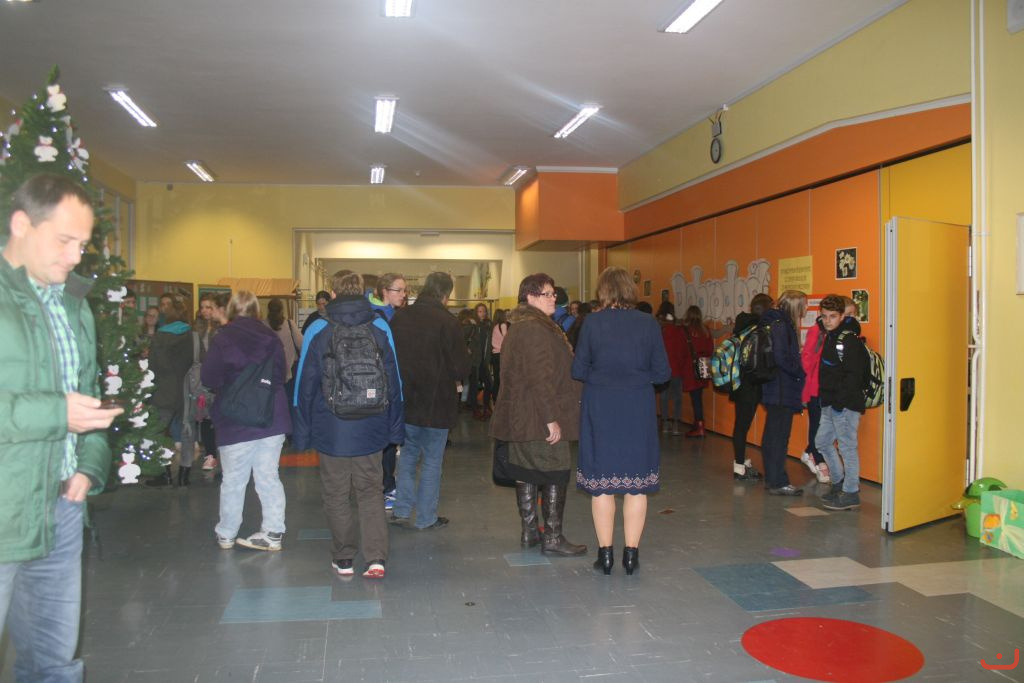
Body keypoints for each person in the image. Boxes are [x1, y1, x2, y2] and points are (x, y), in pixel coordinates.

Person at [0, 174, 123, 681]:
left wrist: (89, 465)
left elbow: (86, 392)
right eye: (64, 241)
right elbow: (64, 408)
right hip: (6, 504)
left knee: (54, 663)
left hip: (62, 509)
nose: (75, 257)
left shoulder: (74, 304)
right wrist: (58, 414)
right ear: (21, 224)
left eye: (83, 245)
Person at [293, 272, 404, 578]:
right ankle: (376, 558)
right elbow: (394, 380)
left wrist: (302, 432)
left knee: (336, 493)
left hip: (331, 427)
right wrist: (395, 427)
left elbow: (304, 384)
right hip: (372, 424)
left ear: (332, 292)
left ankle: (344, 557)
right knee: (371, 491)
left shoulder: (318, 327)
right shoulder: (380, 325)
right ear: (363, 291)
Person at [573, 267, 671, 575]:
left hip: (600, 406)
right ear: (630, 289)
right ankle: (631, 556)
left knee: (602, 485)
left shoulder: (592, 323)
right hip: (637, 407)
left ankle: (605, 556)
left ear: (602, 290)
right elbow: (662, 373)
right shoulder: (648, 323)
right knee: (636, 486)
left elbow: (578, 369)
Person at [490, 274, 586, 556]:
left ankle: (530, 531)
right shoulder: (535, 329)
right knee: (555, 472)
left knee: (526, 472)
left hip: (522, 417)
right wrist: (550, 418)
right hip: (537, 416)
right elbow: (539, 378)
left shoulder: (522, 326)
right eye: (548, 294)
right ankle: (553, 538)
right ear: (530, 297)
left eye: (554, 293)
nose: (554, 298)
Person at [201, 290, 292, 551]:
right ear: (256, 311)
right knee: (268, 476)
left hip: (235, 419)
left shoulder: (223, 338)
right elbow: (281, 374)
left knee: (233, 480)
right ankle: (273, 532)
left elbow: (208, 377)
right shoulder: (272, 338)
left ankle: (227, 533)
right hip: (270, 416)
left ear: (231, 310)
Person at [389, 272, 471, 530]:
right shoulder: (448, 322)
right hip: (437, 403)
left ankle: (401, 511)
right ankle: (426, 518)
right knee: (432, 461)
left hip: (407, 402)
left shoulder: (400, 317)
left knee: (407, 456)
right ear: (446, 294)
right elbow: (461, 367)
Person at [816, 294, 870, 511]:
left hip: (845, 405)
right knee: (822, 442)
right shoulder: (830, 336)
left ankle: (850, 492)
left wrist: (839, 402)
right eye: (824, 316)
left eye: (832, 316)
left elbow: (854, 376)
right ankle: (838, 483)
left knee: (847, 447)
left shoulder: (848, 340)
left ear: (841, 316)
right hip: (829, 402)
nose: (827, 321)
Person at [800, 298, 856, 485]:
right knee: (818, 426)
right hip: (817, 388)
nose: (849, 318)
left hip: (833, 389)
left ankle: (811, 452)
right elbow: (807, 359)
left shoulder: (844, 335)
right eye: (847, 314)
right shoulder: (818, 331)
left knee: (828, 429)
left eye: (852, 315)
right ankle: (818, 460)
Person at [759, 290, 808, 496]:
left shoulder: (775, 322)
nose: (806, 309)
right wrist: (800, 371)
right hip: (781, 388)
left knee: (773, 435)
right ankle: (778, 481)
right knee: (778, 436)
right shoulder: (781, 325)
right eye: (804, 305)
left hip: (775, 387)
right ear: (795, 306)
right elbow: (781, 357)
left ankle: (773, 479)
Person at [366, 273, 407, 510]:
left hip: (381, 386)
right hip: (383, 386)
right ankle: (386, 488)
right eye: (398, 290)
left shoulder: (386, 314)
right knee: (387, 440)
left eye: (404, 290)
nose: (403, 294)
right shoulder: (380, 317)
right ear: (385, 291)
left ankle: (384, 485)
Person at [147, 294, 194, 487]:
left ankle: (165, 473)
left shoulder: (160, 336)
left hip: (164, 390)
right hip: (186, 390)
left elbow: (152, 365)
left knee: (159, 433)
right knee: (187, 432)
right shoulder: (191, 335)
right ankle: (184, 475)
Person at [730, 293, 772, 481]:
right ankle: (739, 467)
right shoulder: (760, 330)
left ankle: (740, 462)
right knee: (742, 426)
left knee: (740, 425)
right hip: (752, 385)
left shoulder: (742, 326)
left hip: (738, 382)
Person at [679, 305, 714, 438]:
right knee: (698, 396)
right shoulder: (706, 330)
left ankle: (699, 426)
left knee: (695, 398)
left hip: (691, 366)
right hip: (704, 364)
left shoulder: (685, 330)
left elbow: (682, 350)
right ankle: (698, 423)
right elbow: (710, 349)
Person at [655, 301, 685, 435]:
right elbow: (682, 350)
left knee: (664, 397)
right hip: (676, 367)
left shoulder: (658, 328)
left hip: (663, 368)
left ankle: (665, 423)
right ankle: (676, 424)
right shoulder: (678, 329)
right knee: (677, 397)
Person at [265, 297, 303, 400]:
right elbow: (301, 344)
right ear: (282, 310)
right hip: (291, 370)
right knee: (290, 400)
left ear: (268, 310)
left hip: (270, 371)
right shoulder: (290, 324)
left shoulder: (263, 326)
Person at [467, 303, 494, 420]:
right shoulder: (471, 325)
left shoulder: (488, 325)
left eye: (484, 311)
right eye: (480, 311)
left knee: (489, 384)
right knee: (474, 386)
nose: (482, 313)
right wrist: (467, 349)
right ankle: (475, 409)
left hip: (484, 360)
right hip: (474, 360)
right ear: (476, 312)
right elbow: (461, 338)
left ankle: (486, 407)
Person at [490, 308, 509, 399]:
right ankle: (501, 398)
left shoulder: (494, 326)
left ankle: (495, 397)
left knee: (496, 377)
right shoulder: (503, 325)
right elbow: (507, 339)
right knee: (502, 377)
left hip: (494, 354)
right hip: (501, 354)